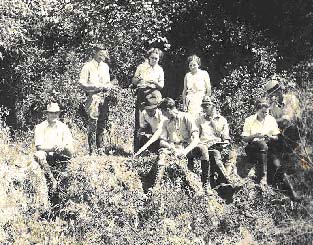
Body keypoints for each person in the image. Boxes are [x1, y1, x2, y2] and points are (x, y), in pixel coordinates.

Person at [242, 98, 300, 201]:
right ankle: (263, 177)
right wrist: (255, 135)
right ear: (257, 110)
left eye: (267, 112)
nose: (265, 115)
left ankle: (292, 195)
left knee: (277, 166)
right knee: (261, 144)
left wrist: (270, 136)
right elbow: (245, 139)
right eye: (262, 112)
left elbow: (276, 136)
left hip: (268, 148)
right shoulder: (249, 120)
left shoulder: (271, 120)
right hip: (253, 148)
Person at [154, 98, 205, 195]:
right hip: (172, 148)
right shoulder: (165, 122)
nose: (163, 115)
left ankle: (197, 190)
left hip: (186, 148)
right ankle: (155, 188)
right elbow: (162, 141)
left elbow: (196, 139)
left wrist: (184, 152)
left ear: (168, 110)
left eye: (163, 112)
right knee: (162, 158)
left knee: (182, 166)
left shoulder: (186, 117)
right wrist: (170, 147)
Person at [34, 102, 74, 209]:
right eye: (51, 113)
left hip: (60, 156)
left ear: (59, 114)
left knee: (70, 150)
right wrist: (52, 147)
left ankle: (66, 173)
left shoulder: (63, 127)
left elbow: (68, 143)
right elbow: (39, 146)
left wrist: (62, 146)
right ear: (46, 114)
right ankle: (51, 179)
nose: (54, 115)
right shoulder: (40, 127)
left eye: (56, 113)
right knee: (38, 154)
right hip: (47, 155)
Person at [193, 96, 237, 189]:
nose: (204, 108)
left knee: (232, 154)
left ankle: (222, 183)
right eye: (203, 106)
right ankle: (228, 181)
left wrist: (225, 144)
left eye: (207, 106)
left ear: (214, 106)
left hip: (219, 146)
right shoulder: (199, 120)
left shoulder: (222, 120)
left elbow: (226, 137)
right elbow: (196, 138)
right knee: (215, 153)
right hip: (205, 148)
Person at [79, 44, 115, 154]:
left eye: (103, 55)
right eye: (100, 54)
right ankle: (92, 150)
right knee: (92, 123)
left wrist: (108, 86)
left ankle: (100, 149)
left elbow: (108, 82)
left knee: (102, 123)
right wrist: (93, 87)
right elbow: (81, 83)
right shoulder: (87, 66)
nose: (102, 57)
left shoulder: (105, 67)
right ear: (95, 53)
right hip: (92, 96)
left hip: (104, 97)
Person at [132, 48, 164, 152]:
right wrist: (138, 80)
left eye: (156, 58)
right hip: (142, 94)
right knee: (140, 121)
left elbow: (161, 86)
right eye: (152, 58)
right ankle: (138, 150)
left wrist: (155, 82)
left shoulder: (159, 69)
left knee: (155, 121)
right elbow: (134, 80)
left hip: (154, 94)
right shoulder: (141, 67)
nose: (154, 60)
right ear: (148, 58)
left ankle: (153, 149)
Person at [265, 78, 301, 152]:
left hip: (295, 132)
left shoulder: (290, 99)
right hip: (282, 133)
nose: (272, 96)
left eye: (274, 93)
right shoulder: (275, 105)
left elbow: (287, 119)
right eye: (271, 94)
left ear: (280, 90)